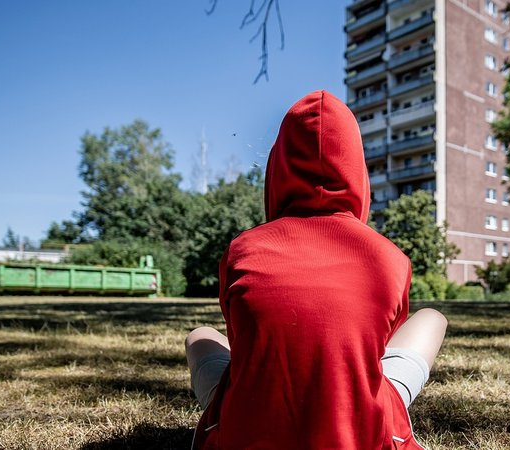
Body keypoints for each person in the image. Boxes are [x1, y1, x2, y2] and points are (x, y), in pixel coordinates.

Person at [186, 90, 448, 449]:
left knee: (200, 336)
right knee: (432, 317)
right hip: (359, 434)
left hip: (244, 436)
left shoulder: (242, 250)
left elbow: (243, 345)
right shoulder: (390, 257)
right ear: (358, 172)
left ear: (277, 170)